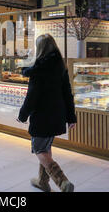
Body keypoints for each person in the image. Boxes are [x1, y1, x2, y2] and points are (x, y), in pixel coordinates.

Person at [17, 34, 77, 192]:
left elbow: (32, 97)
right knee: (46, 147)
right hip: (57, 115)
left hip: (42, 117)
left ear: (40, 49)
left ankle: (62, 181)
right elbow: (67, 94)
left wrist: (22, 115)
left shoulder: (38, 70)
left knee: (39, 149)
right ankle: (42, 182)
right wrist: (71, 117)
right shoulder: (60, 66)